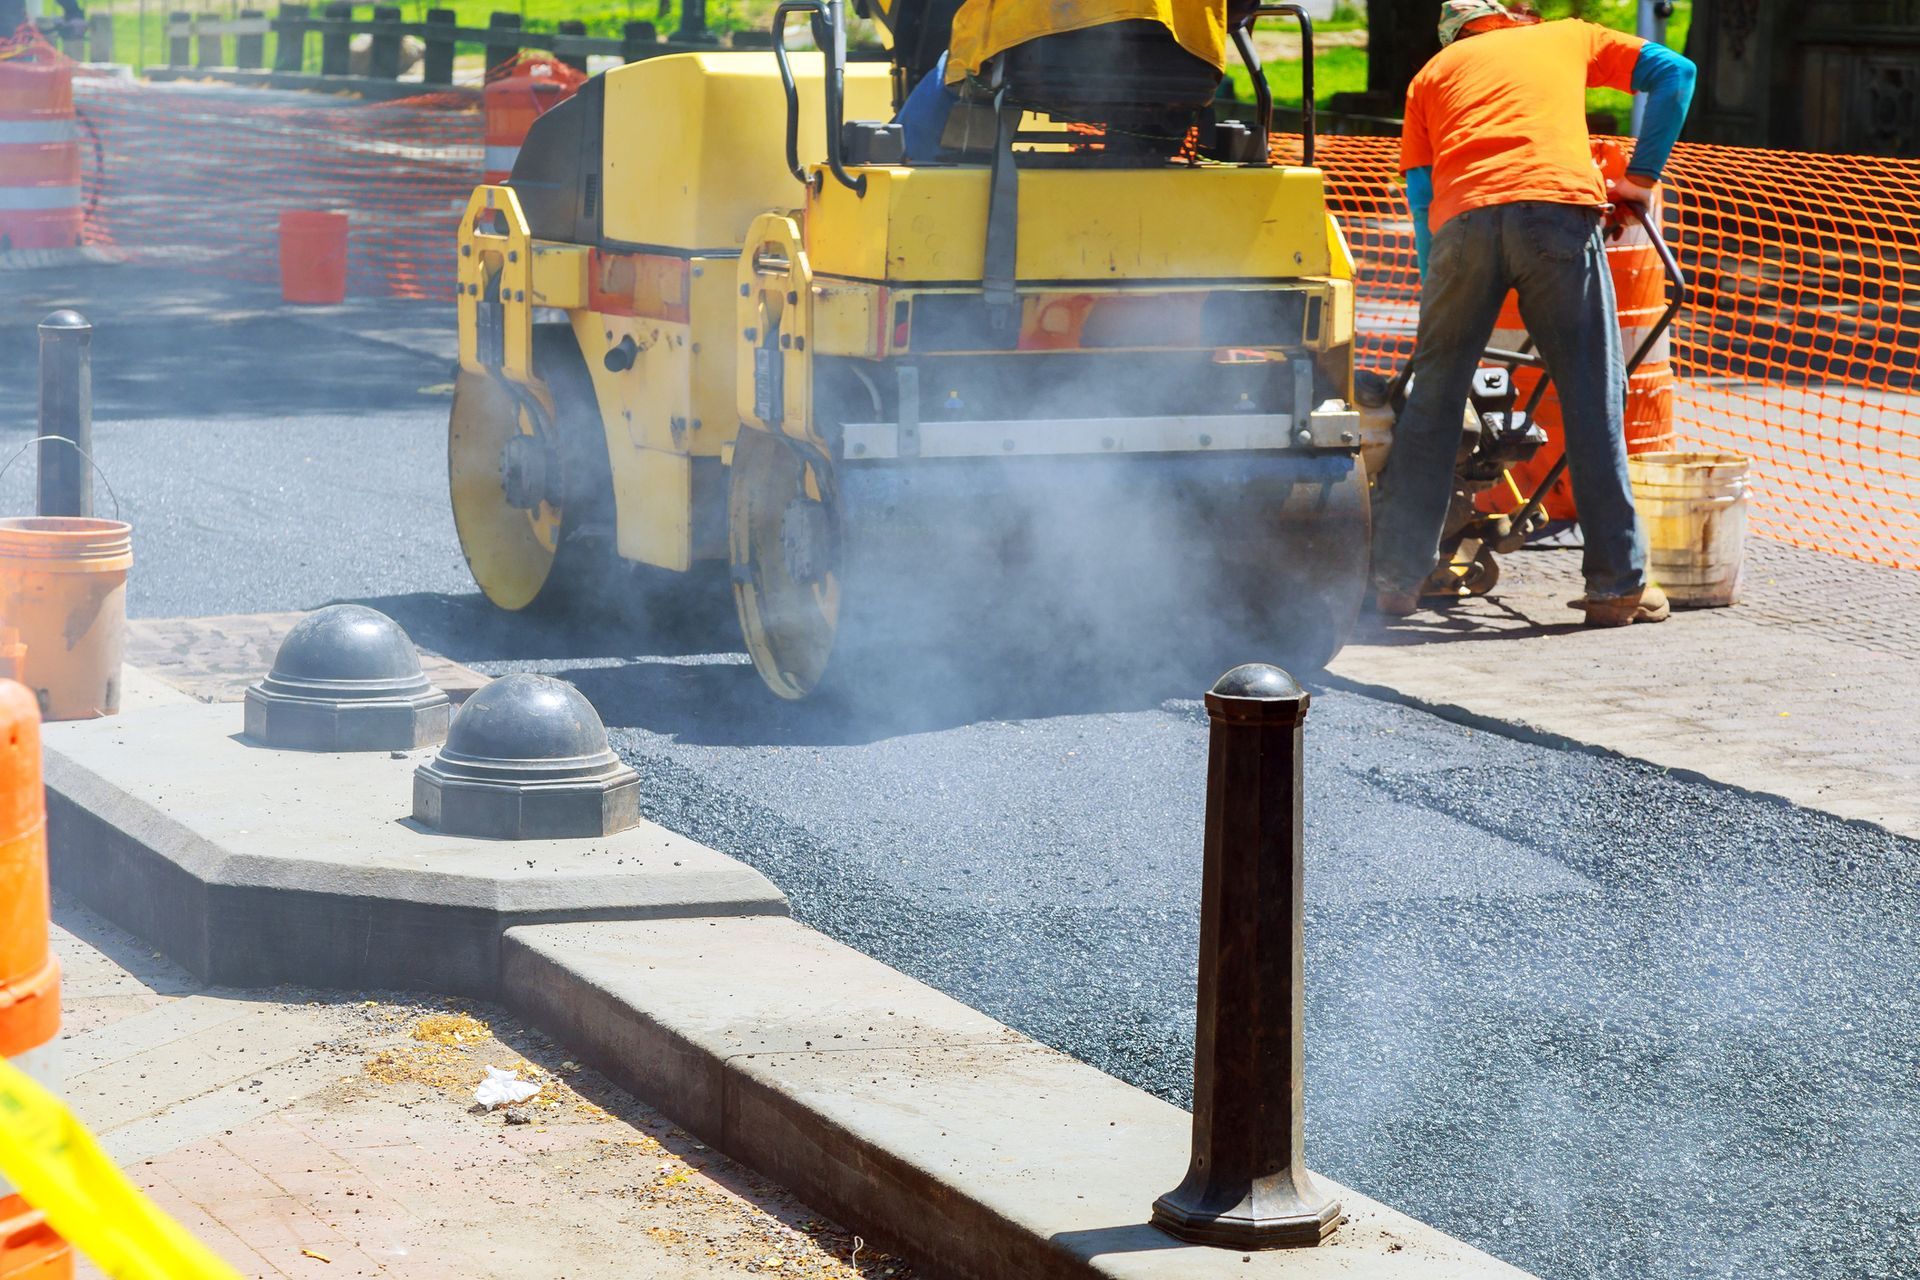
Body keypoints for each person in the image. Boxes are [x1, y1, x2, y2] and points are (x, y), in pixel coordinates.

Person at [1372, 0, 1696, 626]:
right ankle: (1616, 586)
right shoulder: (1566, 36)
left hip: (1460, 228)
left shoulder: (1430, 77)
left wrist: (1438, 281)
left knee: (1434, 404)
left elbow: (1419, 197)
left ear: (1453, 36)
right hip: (1555, 214)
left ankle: (1395, 579)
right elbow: (1675, 72)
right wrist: (1640, 179)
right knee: (1592, 396)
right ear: (1514, 18)